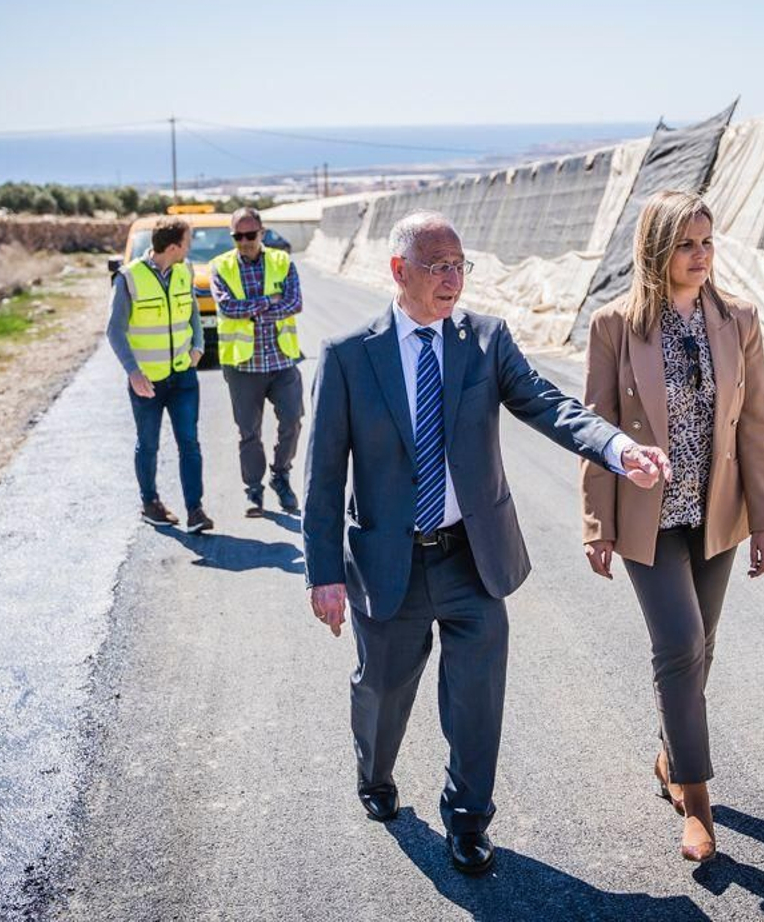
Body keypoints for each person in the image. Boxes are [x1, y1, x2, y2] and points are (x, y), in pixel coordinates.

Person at [303, 211, 670, 876]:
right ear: (399, 271)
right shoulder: (350, 357)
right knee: (382, 689)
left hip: (472, 556)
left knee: (477, 699)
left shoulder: (486, 340)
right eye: (437, 265)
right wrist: (322, 573)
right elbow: (324, 478)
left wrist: (618, 447)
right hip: (390, 563)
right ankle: (375, 769)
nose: (452, 278)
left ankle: (468, 817)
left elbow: (547, 402)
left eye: (459, 264)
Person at [579, 190, 764, 864]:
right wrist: (596, 522)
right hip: (650, 516)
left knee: (703, 648)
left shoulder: (739, 320)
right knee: (680, 643)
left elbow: (755, 426)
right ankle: (697, 806)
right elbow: (597, 429)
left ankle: (671, 757)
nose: (700, 256)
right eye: (686, 244)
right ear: (656, 250)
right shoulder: (615, 326)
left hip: (716, 511)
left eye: (707, 242)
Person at [105, 214, 213, 534]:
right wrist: (133, 372)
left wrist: (199, 345)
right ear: (174, 246)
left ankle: (195, 511)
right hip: (147, 382)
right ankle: (150, 503)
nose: (190, 246)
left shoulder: (185, 269)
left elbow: (192, 311)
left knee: (189, 443)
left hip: (183, 376)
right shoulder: (129, 277)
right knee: (148, 444)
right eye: (188, 240)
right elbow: (114, 330)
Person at [209, 207, 305, 516]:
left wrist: (253, 308)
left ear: (262, 233)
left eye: (251, 235)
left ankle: (281, 475)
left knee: (292, 420)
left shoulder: (282, 262)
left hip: (281, 361)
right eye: (239, 236)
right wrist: (268, 302)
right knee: (248, 433)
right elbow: (228, 309)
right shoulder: (220, 266)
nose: (245, 241)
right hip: (243, 367)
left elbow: (294, 303)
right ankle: (254, 490)